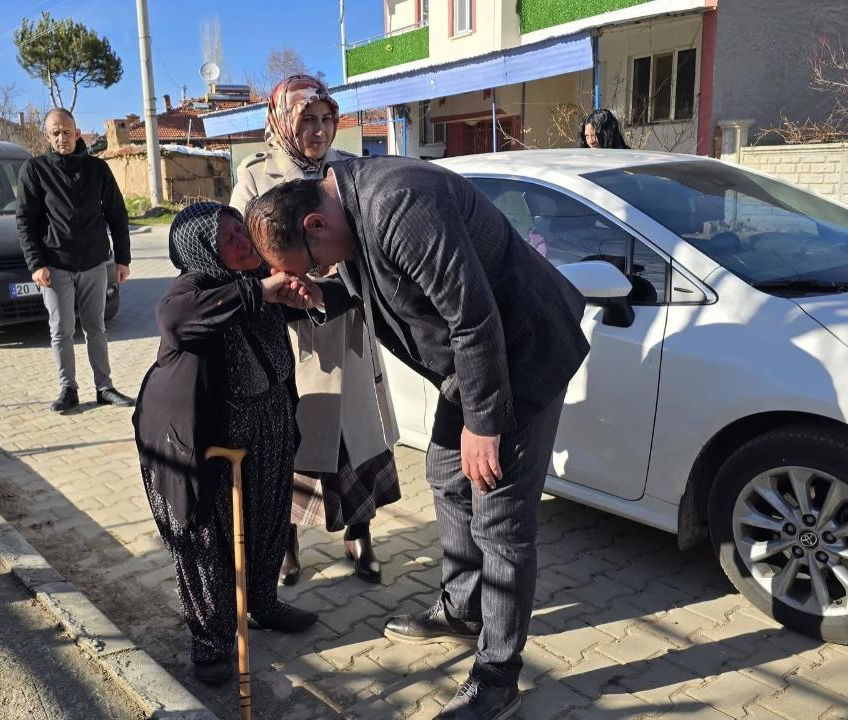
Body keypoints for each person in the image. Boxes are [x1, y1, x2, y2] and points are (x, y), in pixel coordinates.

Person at [245, 156, 591, 720]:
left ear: (314, 225)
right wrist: (309, 299)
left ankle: (498, 678)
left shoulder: (397, 203)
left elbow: (474, 318)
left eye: (309, 268)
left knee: (499, 516)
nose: (314, 275)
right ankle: (464, 607)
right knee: (447, 475)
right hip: (474, 365)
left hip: (522, 354)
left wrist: (484, 424)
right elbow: (378, 293)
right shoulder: (347, 211)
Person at [132, 203, 321, 686]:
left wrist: (300, 297)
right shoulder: (191, 288)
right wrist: (260, 290)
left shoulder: (263, 274)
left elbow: (303, 306)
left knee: (268, 518)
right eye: (226, 235)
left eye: (241, 228)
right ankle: (211, 638)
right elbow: (174, 320)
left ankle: (262, 602)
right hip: (201, 435)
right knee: (209, 538)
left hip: (270, 418)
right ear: (201, 248)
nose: (241, 239)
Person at [230, 74, 399, 586]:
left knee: (356, 433)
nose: (319, 130)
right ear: (283, 122)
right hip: (287, 330)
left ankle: (359, 532)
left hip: (347, 321)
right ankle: (285, 545)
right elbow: (240, 252)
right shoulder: (256, 177)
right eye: (307, 119)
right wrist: (285, 281)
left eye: (327, 119)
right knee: (289, 436)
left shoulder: (349, 171)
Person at [16, 108, 135, 412]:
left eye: (67, 132)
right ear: (47, 136)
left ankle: (104, 387)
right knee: (61, 330)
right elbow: (25, 221)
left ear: (77, 132)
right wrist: (35, 264)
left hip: (95, 262)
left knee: (96, 326)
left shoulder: (97, 170)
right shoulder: (35, 170)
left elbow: (117, 215)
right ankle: (68, 388)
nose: (61, 138)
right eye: (55, 133)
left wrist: (122, 259)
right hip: (55, 266)